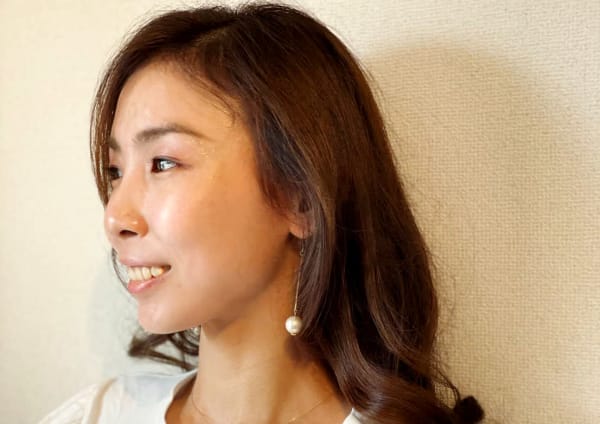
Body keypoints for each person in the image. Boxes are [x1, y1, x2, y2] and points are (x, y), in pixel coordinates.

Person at [41, 3, 483, 423]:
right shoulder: (95, 414)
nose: (115, 218)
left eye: (163, 163)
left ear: (301, 198)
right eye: (115, 171)